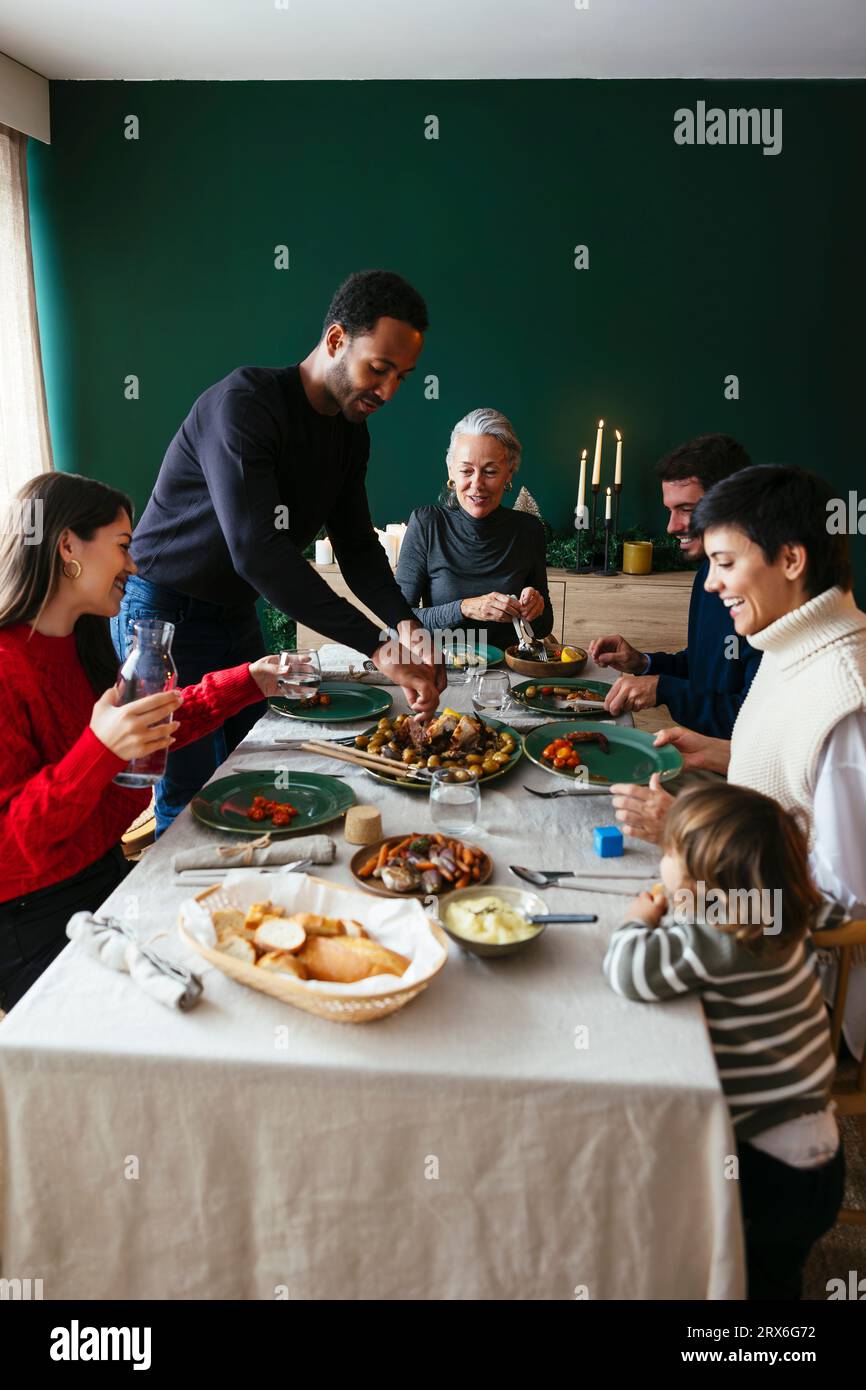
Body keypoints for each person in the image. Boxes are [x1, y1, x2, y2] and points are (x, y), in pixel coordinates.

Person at [114, 269, 444, 833]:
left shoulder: (350, 432)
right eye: (379, 368)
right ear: (337, 340)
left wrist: (404, 623)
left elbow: (358, 547)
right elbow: (258, 551)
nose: (388, 392)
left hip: (233, 611)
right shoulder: (246, 403)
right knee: (190, 791)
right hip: (161, 612)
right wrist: (376, 645)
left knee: (254, 770)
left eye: (403, 377)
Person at [0, 473, 287, 1013]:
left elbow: (157, 723)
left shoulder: (84, 645)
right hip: (33, 917)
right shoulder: (6, 667)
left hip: (105, 878)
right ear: (67, 546)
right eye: (123, 547)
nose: (134, 567)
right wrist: (98, 750)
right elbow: (10, 848)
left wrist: (249, 678)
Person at [608, 464, 866, 1058]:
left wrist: (692, 836)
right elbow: (800, 782)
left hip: (805, 983)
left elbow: (847, 898)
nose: (709, 584)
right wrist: (730, 755)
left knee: (617, 1014)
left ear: (792, 560)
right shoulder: (790, 639)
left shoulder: (846, 692)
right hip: (756, 920)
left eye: (725, 563)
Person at [604, 782, 845, 1300]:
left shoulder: (711, 939)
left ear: (702, 885)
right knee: (780, 1278)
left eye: (668, 854)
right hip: (821, 1151)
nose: (661, 864)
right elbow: (831, 914)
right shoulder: (785, 910)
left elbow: (630, 974)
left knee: (746, 1281)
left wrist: (635, 923)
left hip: (765, 1163)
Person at [589, 434, 761, 736]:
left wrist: (665, 690)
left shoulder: (768, 596)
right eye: (670, 510)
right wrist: (643, 663)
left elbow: (754, 725)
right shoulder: (707, 572)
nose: (671, 527)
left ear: (731, 503)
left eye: (686, 509)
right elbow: (705, 671)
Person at [395, 407, 552, 653]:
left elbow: (542, 629)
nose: (477, 484)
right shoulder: (427, 524)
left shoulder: (528, 529)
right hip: (442, 670)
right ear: (451, 472)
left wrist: (535, 608)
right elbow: (398, 620)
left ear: (509, 472)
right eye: (466, 471)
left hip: (509, 671)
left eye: (490, 472)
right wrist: (465, 608)